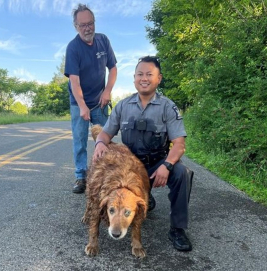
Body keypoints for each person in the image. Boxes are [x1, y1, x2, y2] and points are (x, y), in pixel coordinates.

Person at [92, 56, 194, 252]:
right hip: (130, 166)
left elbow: (179, 144)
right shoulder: (123, 105)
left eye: (149, 74)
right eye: (140, 74)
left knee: (183, 173)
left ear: (159, 78)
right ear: (134, 78)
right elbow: (106, 133)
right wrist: (99, 143)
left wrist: (167, 165)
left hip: (157, 164)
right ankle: (144, 197)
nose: (144, 78)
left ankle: (178, 229)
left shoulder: (167, 107)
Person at [64, 3, 117, 194]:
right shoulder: (73, 48)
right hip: (79, 102)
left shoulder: (103, 41)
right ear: (76, 26)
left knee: (104, 138)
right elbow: (74, 81)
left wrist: (107, 91)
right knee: (79, 140)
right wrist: (82, 106)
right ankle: (81, 177)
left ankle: (107, 174)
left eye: (90, 23)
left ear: (94, 22)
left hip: (100, 101)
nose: (88, 28)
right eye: (83, 25)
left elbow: (113, 68)